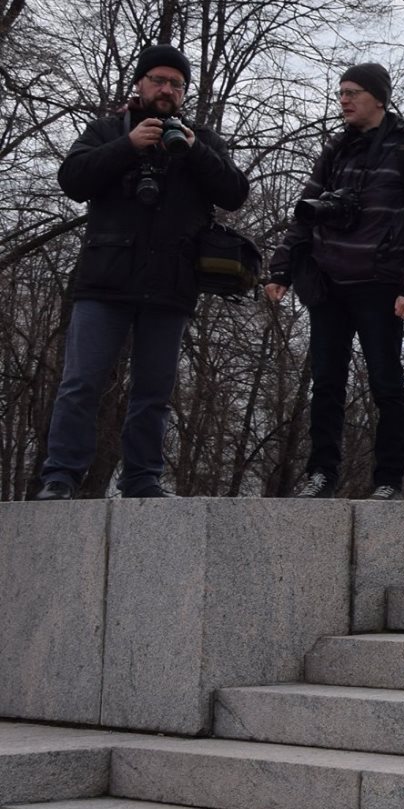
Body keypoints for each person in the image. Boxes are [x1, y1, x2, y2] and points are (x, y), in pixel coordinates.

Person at [33, 44, 250, 499]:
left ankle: (142, 478)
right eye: (158, 80)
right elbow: (71, 180)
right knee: (80, 382)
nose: (167, 89)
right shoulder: (108, 130)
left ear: (185, 92)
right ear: (140, 83)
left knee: (154, 390)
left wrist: (194, 153)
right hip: (104, 280)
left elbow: (235, 193)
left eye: (176, 84)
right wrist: (127, 146)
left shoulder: (200, 140)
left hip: (170, 284)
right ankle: (60, 477)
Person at [265, 63, 404, 498]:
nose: (344, 100)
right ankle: (321, 474)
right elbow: (305, 212)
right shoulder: (336, 149)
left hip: (381, 284)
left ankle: (387, 481)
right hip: (328, 283)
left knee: (386, 382)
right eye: (341, 93)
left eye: (353, 92)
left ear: (379, 98)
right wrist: (281, 269)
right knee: (326, 382)